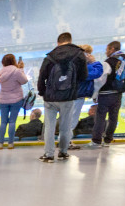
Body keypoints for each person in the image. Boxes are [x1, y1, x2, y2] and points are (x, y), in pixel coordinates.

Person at [36, 32, 87, 162]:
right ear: (70, 40)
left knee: (49, 127)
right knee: (65, 126)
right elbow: (83, 76)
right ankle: (63, 152)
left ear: (58, 42)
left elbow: (42, 77)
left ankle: (49, 154)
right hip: (68, 97)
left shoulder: (50, 56)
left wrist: (43, 93)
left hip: (51, 98)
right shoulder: (79, 55)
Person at [85, 41, 125, 148]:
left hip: (106, 94)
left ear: (112, 49)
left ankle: (96, 141)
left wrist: (95, 94)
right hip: (118, 93)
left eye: (107, 49)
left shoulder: (109, 62)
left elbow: (101, 80)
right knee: (113, 117)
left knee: (100, 117)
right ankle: (108, 140)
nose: (106, 52)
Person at [67, 45, 102, 150]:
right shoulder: (81, 65)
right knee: (72, 121)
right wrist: (94, 62)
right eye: (88, 53)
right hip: (77, 95)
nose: (90, 55)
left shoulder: (72, 63)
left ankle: (65, 141)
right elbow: (97, 73)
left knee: (70, 120)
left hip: (73, 95)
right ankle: (66, 142)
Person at [0, 54, 28, 149]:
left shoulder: (1, 72)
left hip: (3, 99)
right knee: (12, 121)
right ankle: (10, 143)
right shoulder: (16, 71)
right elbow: (24, 81)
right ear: (13, 61)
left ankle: (0, 143)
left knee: (3, 122)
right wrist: (21, 69)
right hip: (16, 99)